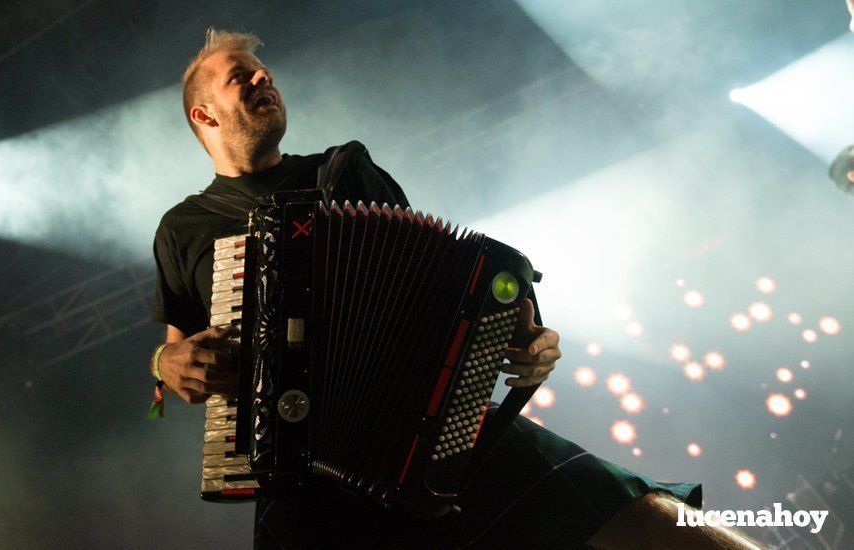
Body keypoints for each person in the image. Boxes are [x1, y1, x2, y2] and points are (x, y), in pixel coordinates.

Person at [151, 29, 763, 549]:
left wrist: (521, 328)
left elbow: (441, 282)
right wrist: (165, 362)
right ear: (204, 114)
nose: (264, 81)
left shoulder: (342, 169)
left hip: (435, 427)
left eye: (264, 72)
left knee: (650, 523)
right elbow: (173, 365)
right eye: (242, 78)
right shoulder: (183, 230)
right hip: (293, 471)